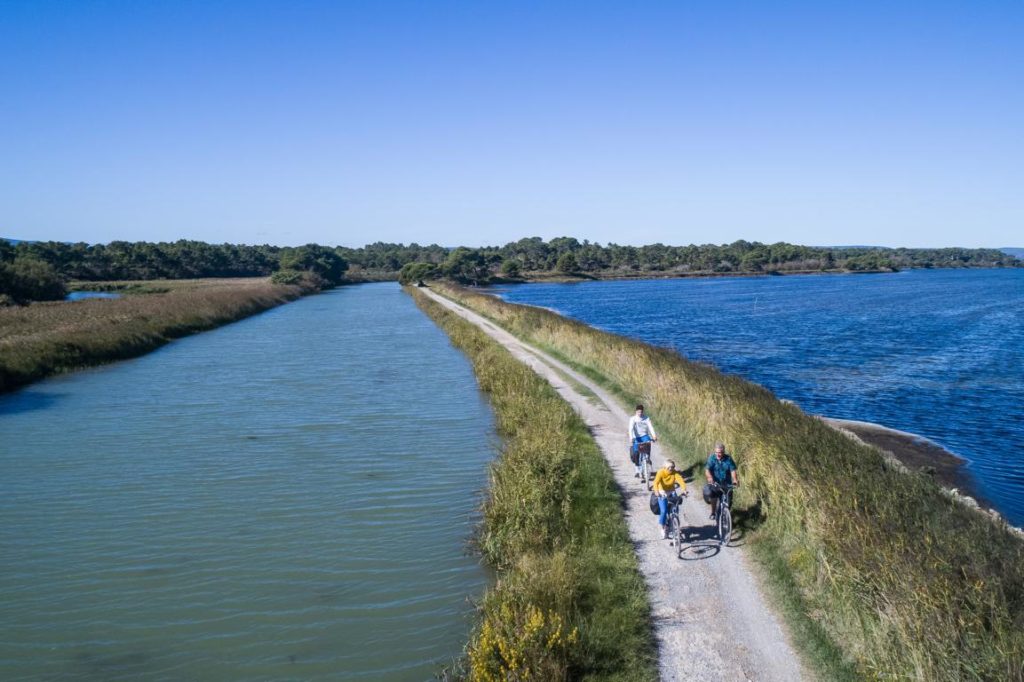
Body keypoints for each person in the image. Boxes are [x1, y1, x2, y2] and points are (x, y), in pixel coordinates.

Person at [703, 442, 739, 520]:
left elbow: (733, 470)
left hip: (727, 483)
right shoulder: (712, 458)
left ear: (723, 452)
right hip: (715, 483)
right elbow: (707, 470)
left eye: (720, 453)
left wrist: (735, 479)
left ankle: (726, 516)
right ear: (714, 452)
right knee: (714, 496)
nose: (718, 454)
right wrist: (709, 477)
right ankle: (713, 512)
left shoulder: (728, 459)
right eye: (716, 452)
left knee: (729, 502)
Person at [652, 459, 687, 538]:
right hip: (662, 491)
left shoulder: (674, 472)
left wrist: (684, 489)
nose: (671, 469)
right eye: (669, 467)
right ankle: (663, 528)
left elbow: (680, 480)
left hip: (671, 491)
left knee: (675, 509)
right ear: (665, 467)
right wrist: (657, 491)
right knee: (664, 511)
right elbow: (655, 482)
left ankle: (674, 523)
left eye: (673, 467)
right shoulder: (661, 472)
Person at [627, 404, 658, 478]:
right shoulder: (633, 419)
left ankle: (647, 460)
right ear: (636, 411)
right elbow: (630, 428)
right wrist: (631, 438)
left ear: (643, 412)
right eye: (638, 412)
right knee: (636, 454)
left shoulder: (646, 418)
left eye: (641, 412)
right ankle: (637, 470)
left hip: (645, 436)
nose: (640, 413)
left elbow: (650, 427)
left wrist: (654, 435)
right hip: (636, 437)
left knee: (647, 448)